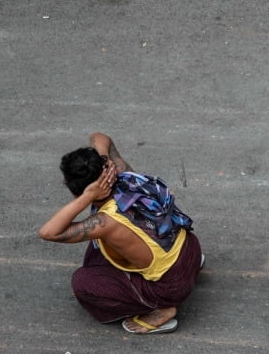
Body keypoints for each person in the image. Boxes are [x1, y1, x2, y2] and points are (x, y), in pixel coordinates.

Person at [39, 132, 202, 334]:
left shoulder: (106, 222)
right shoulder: (124, 174)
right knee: (98, 249)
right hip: (190, 249)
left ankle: (162, 310)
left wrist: (87, 197)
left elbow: (48, 232)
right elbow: (99, 137)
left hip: (173, 286)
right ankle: (190, 268)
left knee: (83, 282)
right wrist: (104, 159)